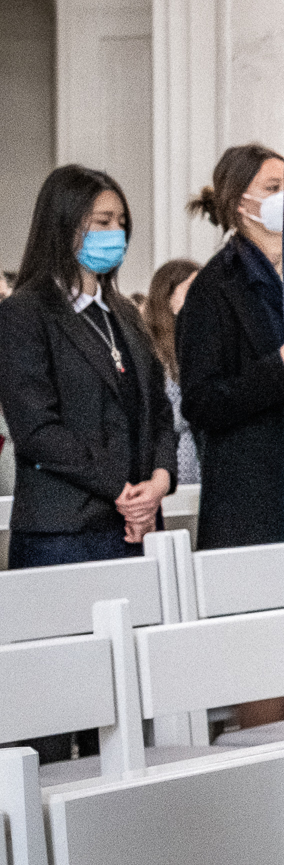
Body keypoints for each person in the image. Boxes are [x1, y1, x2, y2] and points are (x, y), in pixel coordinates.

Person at [0, 165, 178, 571]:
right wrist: (121, 491)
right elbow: (37, 429)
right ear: (62, 225)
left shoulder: (125, 314)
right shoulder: (24, 313)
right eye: (103, 221)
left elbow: (160, 412)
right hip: (64, 530)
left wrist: (159, 481)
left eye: (121, 222)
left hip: (139, 523)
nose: (117, 232)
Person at [179, 144, 284, 553]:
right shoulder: (213, 288)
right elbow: (201, 401)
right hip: (255, 485)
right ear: (240, 202)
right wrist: (280, 368)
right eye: (273, 187)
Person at [140, 257, 202, 489]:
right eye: (192, 288)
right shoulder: (150, 350)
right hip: (170, 463)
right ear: (167, 296)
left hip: (199, 457)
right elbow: (157, 415)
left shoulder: (198, 343)